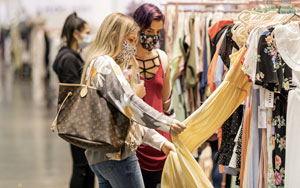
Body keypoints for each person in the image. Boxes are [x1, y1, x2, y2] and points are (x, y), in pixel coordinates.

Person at [81, 12, 186, 188]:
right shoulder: (106, 64)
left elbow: (125, 115)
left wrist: (161, 143)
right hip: (117, 156)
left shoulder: (94, 63)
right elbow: (130, 104)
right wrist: (165, 123)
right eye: (129, 40)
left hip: (100, 156)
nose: (132, 47)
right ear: (115, 36)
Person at [132, 4, 173, 188]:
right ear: (137, 28)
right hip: (133, 143)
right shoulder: (125, 62)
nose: (153, 37)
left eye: (158, 32)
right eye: (149, 30)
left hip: (160, 143)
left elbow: (165, 104)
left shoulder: (162, 58)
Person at [52, 12, 94, 188]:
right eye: (86, 32)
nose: (88, 36)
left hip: (75, 120)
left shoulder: (69, 55)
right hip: (78, 121)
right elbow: (76, 93)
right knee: (82, 167)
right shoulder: (69, 58)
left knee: (84, 166)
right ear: (76, 33)